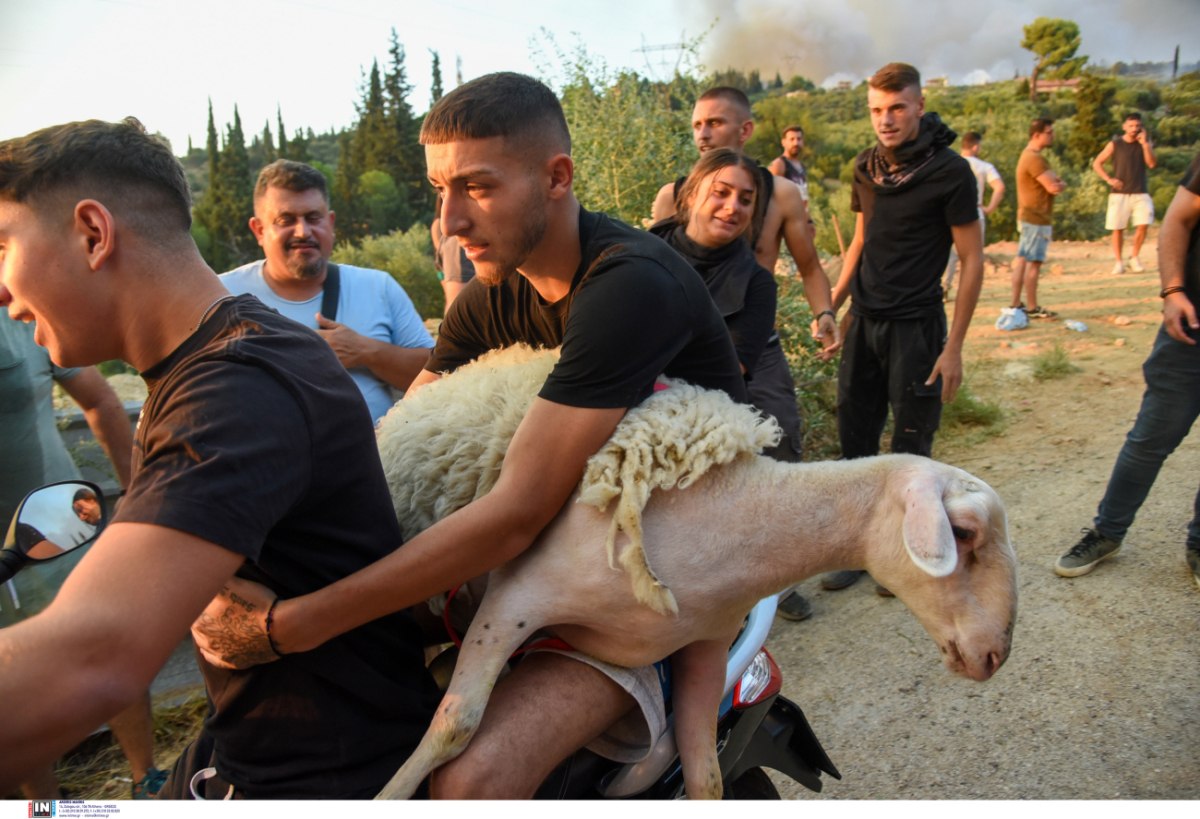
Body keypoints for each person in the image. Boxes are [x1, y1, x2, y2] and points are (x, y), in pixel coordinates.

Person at [192, 72, 749, 799]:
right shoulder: (492, 296)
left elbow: (517, 511)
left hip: (650, 581)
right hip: (528, 575)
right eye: (437, 188)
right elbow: (393, 442)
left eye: (477, 188)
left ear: (557, 176)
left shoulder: (629, 286)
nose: (450, 220)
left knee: (469, 784)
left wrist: (294, 624)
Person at [0, 118, 439, 797]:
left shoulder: (235, 387)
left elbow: (92, 656)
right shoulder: (213, 362)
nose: (1, 289)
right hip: (242, 745)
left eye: (3, 246)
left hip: (316, 776)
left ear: (93, 233)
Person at [650, 87, 840, 621]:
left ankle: (778, 582)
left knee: (779, 444)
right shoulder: (676, 194)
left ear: (745, 130)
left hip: (752, 343)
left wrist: (825, 313)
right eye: (697, 124)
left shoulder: (779, 194)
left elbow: (806, 265)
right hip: (678, 354)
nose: (703, 132)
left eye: (714, 122)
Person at [821, 62, 984, 594]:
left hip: (917, 326)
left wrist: (954, 347)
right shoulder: (865, 167)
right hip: (865, 321)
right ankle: (861, 549)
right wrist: (832, 306)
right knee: (855, 442)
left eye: (896, 108)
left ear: (918, 105)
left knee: (912, 446)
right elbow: (860, 241)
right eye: (876, 110)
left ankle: (910, 552)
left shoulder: (950, 171)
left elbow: (973, 258)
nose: (885, 120)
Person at [0, 314, 165, 799]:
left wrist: (139, 501)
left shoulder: (16, 315)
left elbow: (99, 399)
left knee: (108, 645)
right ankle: (44, 807)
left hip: (58, 530)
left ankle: (148, 779)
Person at [1055, 150, 1200, 586]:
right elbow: (1177, 220)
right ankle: (1108, 532)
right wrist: (1173, 289)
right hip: (1192, 326)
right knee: (1149, 438)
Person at [221, 159, 434, 424]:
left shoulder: (379, 286)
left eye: (313, 218)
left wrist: (365, 351)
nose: (303, 231)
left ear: (330, 223)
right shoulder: (222, 296)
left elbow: (436, 376)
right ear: (260, 230)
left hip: (377, 462)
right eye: (286, 220)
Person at [649, 148, 803, 464]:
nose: (733, 207)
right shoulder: (640, 255)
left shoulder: (757, 284)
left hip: (709, 416)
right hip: (624, 403)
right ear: (691, 195)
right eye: (721, 193)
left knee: (780, 446)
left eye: (745, 200)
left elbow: (729, 368)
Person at [1011, 118, 1065, 319]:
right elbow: (1053, 186)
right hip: (1036, 218)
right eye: (1049, 132)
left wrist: (1056, 182)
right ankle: (1032, 307)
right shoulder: (1035, 159)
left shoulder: (1027, 156)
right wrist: (1060, 183)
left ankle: (1016, 303)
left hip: (1027, 215)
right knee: (1034, 262)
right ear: (1036, 135)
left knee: (1023, 259)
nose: (1052, 136)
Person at [1092, 113, 1157, 275]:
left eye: (1137, 126)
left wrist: (1145, 145)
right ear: (1124, 127)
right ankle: (1119, 262)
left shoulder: (1145, 144)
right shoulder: (1115, 144)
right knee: (1117, 228)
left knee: (1143, 225)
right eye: (1131, 126)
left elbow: (1152, 164)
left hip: (1140, 191)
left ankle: (1134, 257)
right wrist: (1109, 179)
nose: (1134, 129)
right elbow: (1097, 163)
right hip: (1119, 193)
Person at [944, 131, 1005, 299]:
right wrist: (990, 207)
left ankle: (944, 286)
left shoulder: (950, 163)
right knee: (972, 257)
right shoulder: (984, 166)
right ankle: (968, 292)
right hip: (975, 211)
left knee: (950, 254)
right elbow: (999, 187)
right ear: (976, 146)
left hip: (950, 212)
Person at [431, 212, 475, 314]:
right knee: (455, 302)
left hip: (445, 264)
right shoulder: (439, 223)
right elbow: (439, 248)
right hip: (450, 262)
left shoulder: (439, 222)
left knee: (452, 301)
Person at [768, 125, 810, 202]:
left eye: (799, 139)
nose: (796, 143)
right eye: (792, 139)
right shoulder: (779, 164)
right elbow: (771, 197)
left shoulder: (801, 166)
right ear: (783, 142)